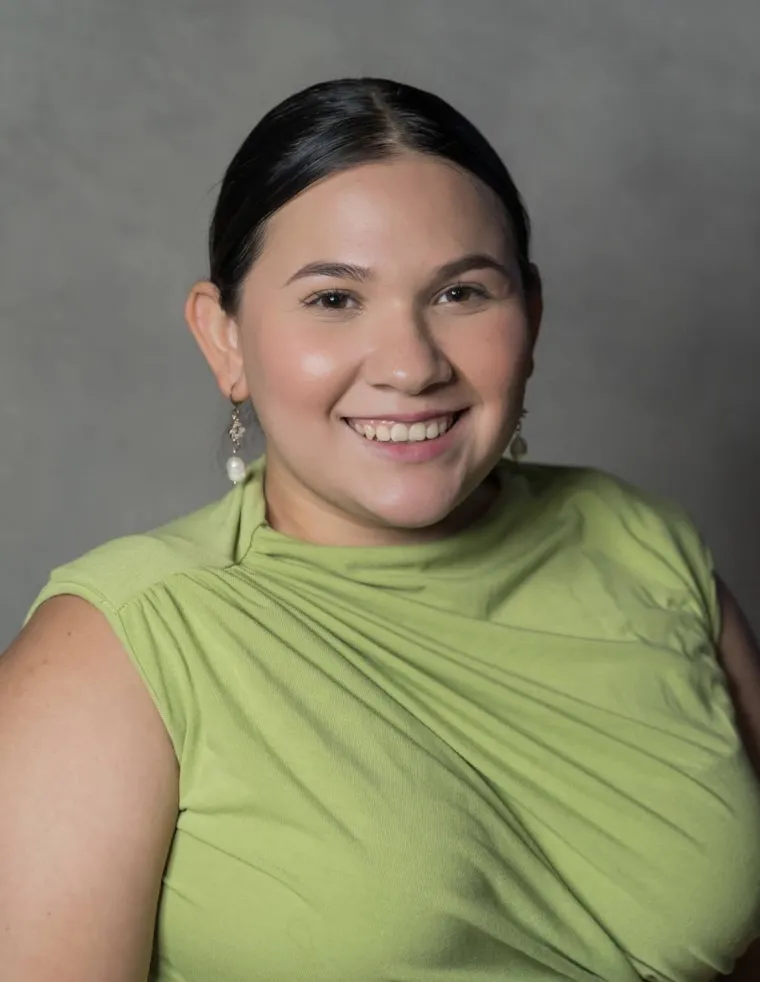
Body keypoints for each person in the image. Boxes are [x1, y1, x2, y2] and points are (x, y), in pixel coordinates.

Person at [1, 77, 758, 982]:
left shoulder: (647, 548)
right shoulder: (118, 645)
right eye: (333, 299)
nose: (410, 365)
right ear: (225, 338)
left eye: (462, 292)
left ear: (533, 316)